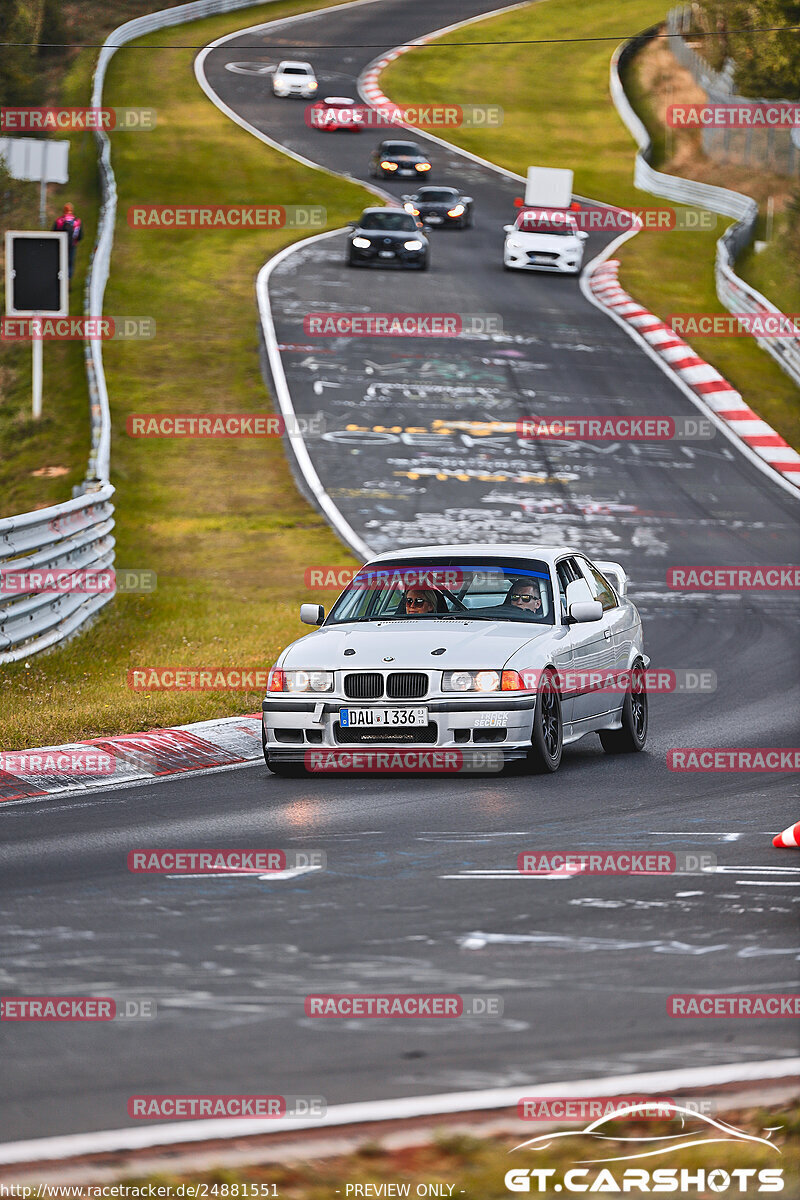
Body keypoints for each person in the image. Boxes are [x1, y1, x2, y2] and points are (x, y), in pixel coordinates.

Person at [53, 202, 83, 282]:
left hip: (60, 245)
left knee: (60, 262)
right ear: (72, 210)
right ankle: (68, 280)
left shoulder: (59, 221)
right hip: (72, 245)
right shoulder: (77, 221)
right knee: (70, 263)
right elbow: (80, 236)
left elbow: (53, 234)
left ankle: (59, 281)